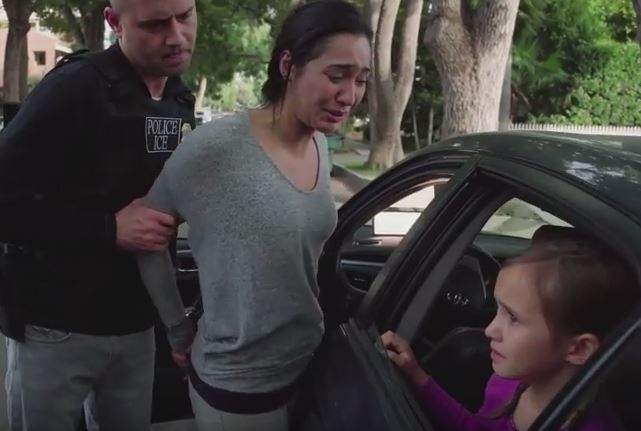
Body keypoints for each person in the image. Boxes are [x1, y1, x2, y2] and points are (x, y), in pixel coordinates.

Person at [135, 1, 372, 429]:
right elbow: (146, 237)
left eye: (360, 80)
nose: (350, 95)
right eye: (336, 75)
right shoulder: (215, 149)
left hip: (305, 365)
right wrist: (177, 329)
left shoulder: (319, 143)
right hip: (237, 387)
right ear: (288, 65)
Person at [0, 0, 197, 429]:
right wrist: (107, 229)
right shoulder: (74, 87)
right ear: (114, 23)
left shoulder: (180, 97)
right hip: (53, 327)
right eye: (156, 24)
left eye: (185, 16)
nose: (177, 36)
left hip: (136, 328)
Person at [382, 237, 639, 431]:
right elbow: (476, 427)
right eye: (498, 310)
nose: (489, 329)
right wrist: (418, 377)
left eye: (514, 318)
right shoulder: (505, 383)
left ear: (579, 349)